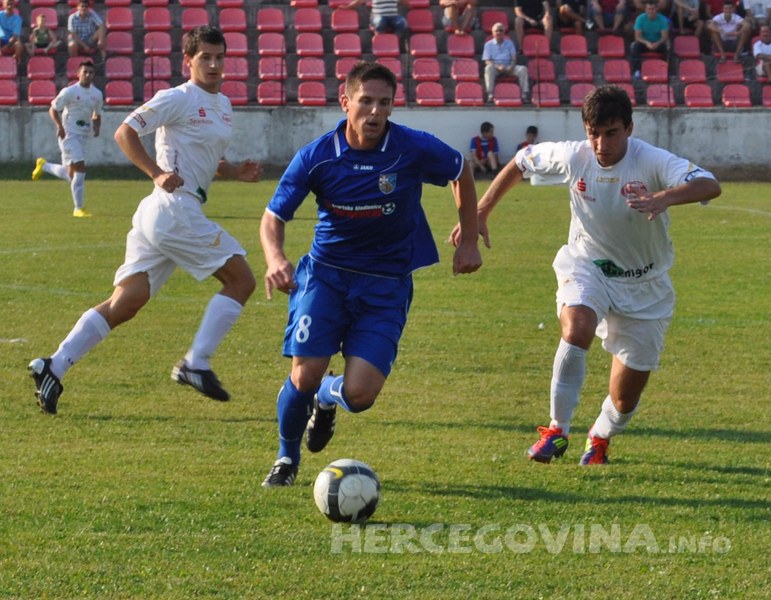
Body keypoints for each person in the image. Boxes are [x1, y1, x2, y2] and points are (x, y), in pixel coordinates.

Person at [449, 85, 721, 466]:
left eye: (610, 133)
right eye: (594, 132)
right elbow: (522, 162)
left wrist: (663, 197)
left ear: (628, 128)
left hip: (645, 285)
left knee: (625, 399)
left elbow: (710, 185)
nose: (600, 143)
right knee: (576, 330)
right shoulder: (575, 155)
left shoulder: (653, 160)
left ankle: (599, 437)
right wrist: (480, 214)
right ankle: (556, 430)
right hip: (587, 264)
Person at [259, 61, 482, 487]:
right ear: (345, 102)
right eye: (366, 101)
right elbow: (273, 217)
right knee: (304, 374)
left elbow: (460, 171)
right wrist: (275, 258)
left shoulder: (411, 148)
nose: (375, 112)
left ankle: (328, 399)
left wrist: (469, 238)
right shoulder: (317, 156)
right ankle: (286, 460)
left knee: (360, 396)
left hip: (386, 285)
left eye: (385, 102)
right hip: (326, 276)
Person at [28, 26, 262, 415]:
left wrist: (237, 172)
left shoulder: (223, 105)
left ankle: (53, 365)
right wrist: (155, 171)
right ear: (188, 61)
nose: (214, 64)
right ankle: (196, 364)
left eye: (220, 57)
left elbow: (206, 160)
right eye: (205, 57)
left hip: (168, 211)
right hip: (173, 207)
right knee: (242, 280)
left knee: (128, 300)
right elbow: (125, 132)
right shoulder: (177, 97)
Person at [31, 60, 103, 218]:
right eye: (85, 72)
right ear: (78, 74)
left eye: (91, 72)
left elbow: (97, 114)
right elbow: (53, 109)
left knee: (71, 175)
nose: (88, 75)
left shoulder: (97, 94)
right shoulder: (69, 91)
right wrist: (59, 126)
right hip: (69, 134)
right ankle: (79, 208)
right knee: (81, 168)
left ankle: (44, 166)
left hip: (84, 135)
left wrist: (97, 126)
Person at [482, 22, 530, 103]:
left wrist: (511, 66)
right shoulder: (488, 45)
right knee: (488, 68)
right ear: (492, 33)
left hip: (509, 66)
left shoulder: (509, 43)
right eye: (496, 31)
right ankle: (490, 94)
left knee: (522, 69)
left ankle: (524, 95)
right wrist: (497, 67)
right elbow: (487, 60)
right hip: (496, 67)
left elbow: (514, 58)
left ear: (504, 32)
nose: (499, 32)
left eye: (501, 30)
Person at [630, 0, 670, 79]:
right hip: (645, 43)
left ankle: (666, 70)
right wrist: (647, 43)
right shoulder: (640, 19)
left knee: (668, 47)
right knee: (634, 46)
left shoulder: (662, 19)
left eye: (653, 9)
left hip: (658, 43)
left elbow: (664, 37)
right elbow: (637, 37)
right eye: (649, 9)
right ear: (646, 10)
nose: (651, 11)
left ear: (656, 9)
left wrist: (657, 43)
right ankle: (636, 71)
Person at [339, 0, 411, 35]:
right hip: (378, 16)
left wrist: (413, 8)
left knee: (402, 22)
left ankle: (395, 39)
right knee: (380, 22)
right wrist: (348, 7)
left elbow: (405, 2)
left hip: (393, 17)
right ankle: (379, 36)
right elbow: (359, 1)